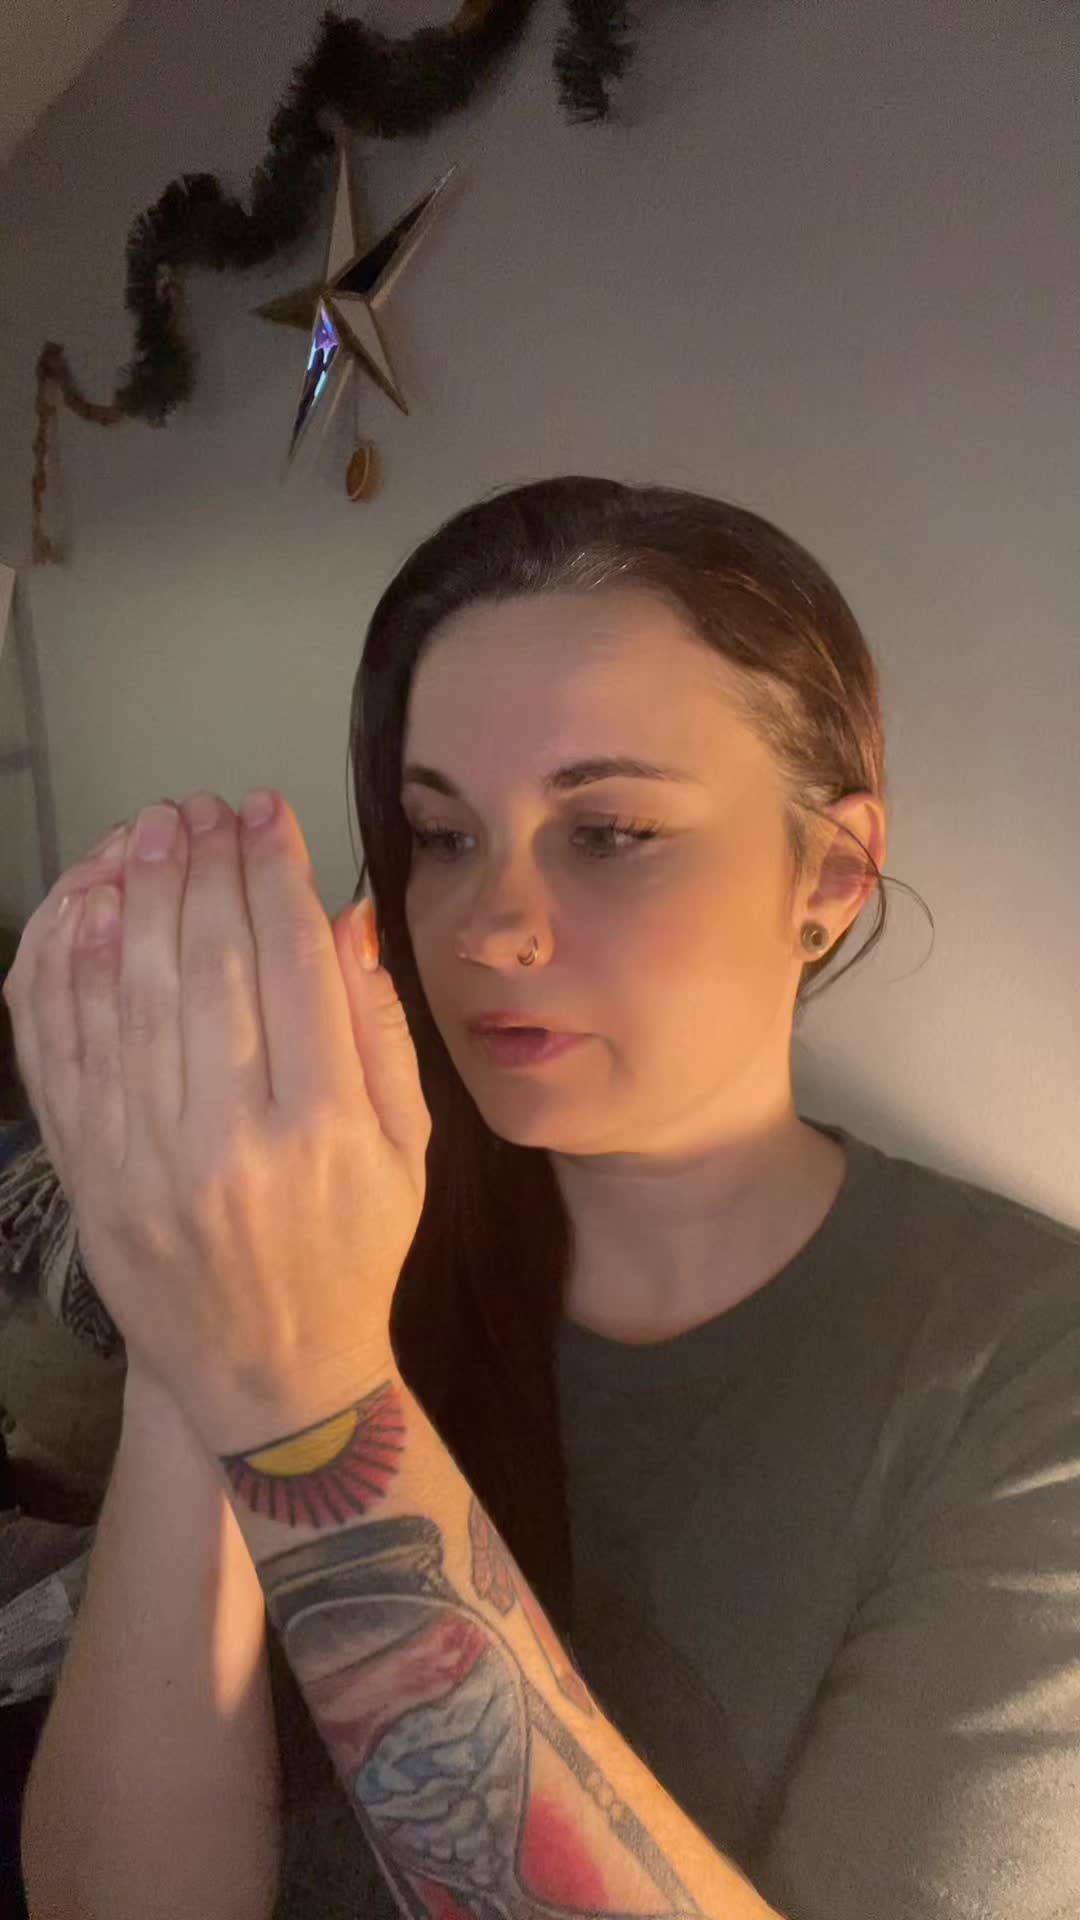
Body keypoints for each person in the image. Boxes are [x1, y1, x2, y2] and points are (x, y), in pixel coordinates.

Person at [13, 476, 1080, 1919]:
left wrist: (303, 1389)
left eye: (610, 832)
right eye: (441, 836)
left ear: (830, 877)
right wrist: (187, 1307)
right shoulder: (333, 1222)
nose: (486, 929)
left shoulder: (1025, 1374)